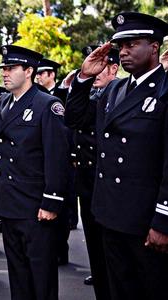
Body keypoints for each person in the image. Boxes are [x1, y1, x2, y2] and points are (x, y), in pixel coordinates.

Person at [65, 12, 168, 300]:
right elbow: (74, 118)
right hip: (109, 215)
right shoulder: (115, 89)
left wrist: (163, 221)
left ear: (154, 47)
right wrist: (84, 77)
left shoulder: (164, 89)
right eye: (120, 46)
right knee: (117, 290)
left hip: (144, 221)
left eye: (132, 44)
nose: (123, 52)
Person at [0, 45, 69, 300]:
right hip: (8, 203)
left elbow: (57, 157)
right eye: (4, 69)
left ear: (29, 71)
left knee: (41, 275)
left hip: (35, 205)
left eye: (11, 69)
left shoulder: (48, 104)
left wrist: (51, 202)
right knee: (18, 273)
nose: (5, 74)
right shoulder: (3, 104)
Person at [64, 45, 119, 299]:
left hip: (117, 187)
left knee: (118, 256)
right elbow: (73, 118)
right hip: (89, 184)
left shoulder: (120, 94)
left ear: (114, 68)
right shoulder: (93, 97)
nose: (97, 71)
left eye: (102, 65)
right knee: (96, 248)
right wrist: (81, 79)